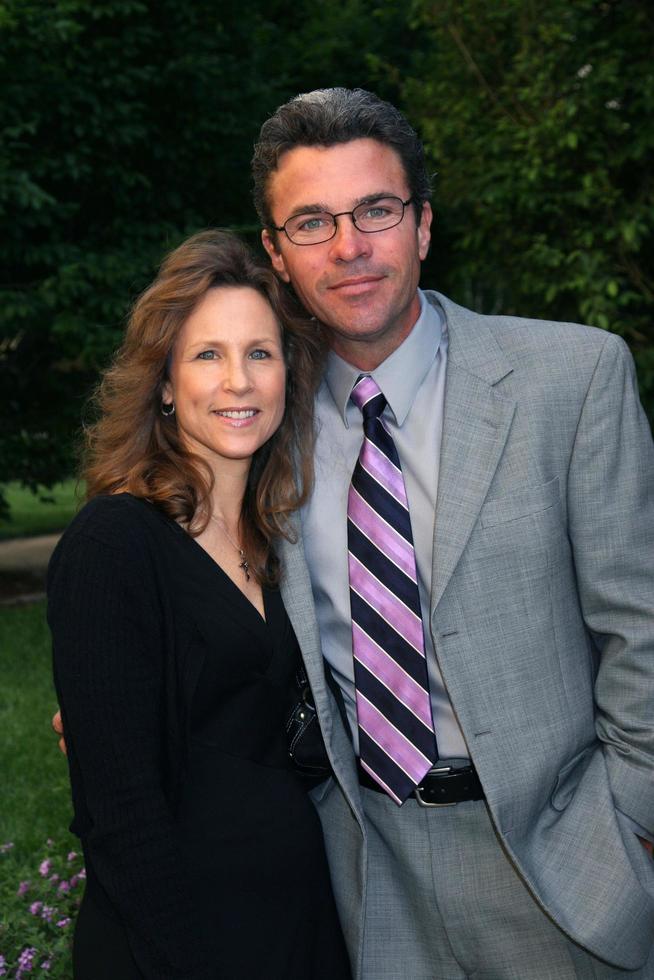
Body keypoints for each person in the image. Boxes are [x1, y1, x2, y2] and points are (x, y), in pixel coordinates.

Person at [248, 88, 654, 979]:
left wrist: (633, 824)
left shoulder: (571, 379)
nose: (349, 247)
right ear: (277, 255)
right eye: (312, 222)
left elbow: (643, 627)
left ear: (423, 226)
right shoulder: (257, 421)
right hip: (364, 867)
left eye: (376, 211)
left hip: (566, 859)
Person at [47, 230, 352, 979]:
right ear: (164, 383)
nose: (238, 382)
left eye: (260, 353)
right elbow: (121, 820)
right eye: (208, 355)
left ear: (289, 373)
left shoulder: (279, 541)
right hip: (178, 944)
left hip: (297, 925)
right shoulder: (114, 543)